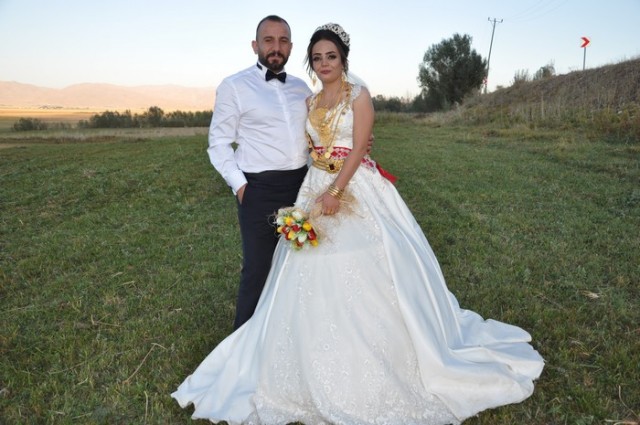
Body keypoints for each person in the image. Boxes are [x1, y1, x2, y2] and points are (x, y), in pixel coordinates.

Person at [173, 23, 544, 424]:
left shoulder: (346, 93)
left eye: (330, 56)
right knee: (276, 267)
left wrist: (339, 183)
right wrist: (245, 186)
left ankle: (379, 352)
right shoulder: (292, 95)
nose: (323, 63)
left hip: (345, 187)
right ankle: (263, 347)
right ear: (260, 46)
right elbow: (248, 142)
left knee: (361, 260)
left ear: (341, 58)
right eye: (317, 58)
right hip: (296, 185)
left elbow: (355, 141)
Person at [207, 15, 311, 329]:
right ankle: (245, 342)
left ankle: (289, 333)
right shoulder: (234, 86)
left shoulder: (302, 88)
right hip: (258, 190)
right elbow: (218, 143)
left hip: (301, 187)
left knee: (300, 265)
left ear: (290, 47)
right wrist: (241, 187)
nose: (276, 47)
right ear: (255, 45)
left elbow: (317, 133)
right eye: (268, 40)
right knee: (258, 270)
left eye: (283, 40)